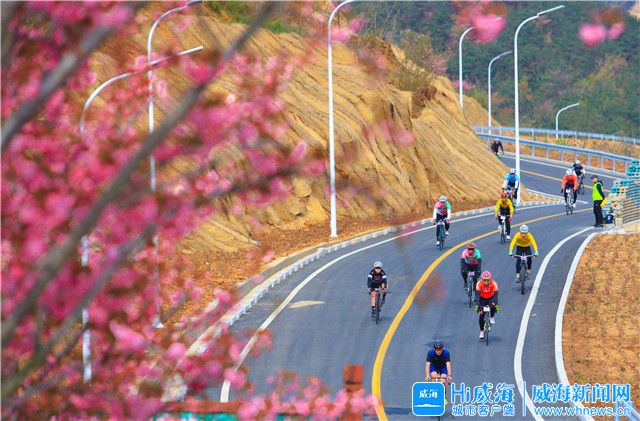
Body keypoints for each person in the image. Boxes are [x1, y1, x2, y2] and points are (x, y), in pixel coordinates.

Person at [474, 271, 499, 339]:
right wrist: (477, 304)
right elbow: (477, 295)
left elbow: (496, 295)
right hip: (482, 298)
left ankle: (492, 317)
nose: (486, 281)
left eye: (488, 280)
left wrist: (496, 304)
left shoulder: (494, 283)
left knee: (493, 306)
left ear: (490, 279)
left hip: (491, 298)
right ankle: (481, 331)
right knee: (481, 315)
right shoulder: (479, 283)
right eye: (484, 280)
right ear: (482, 279)